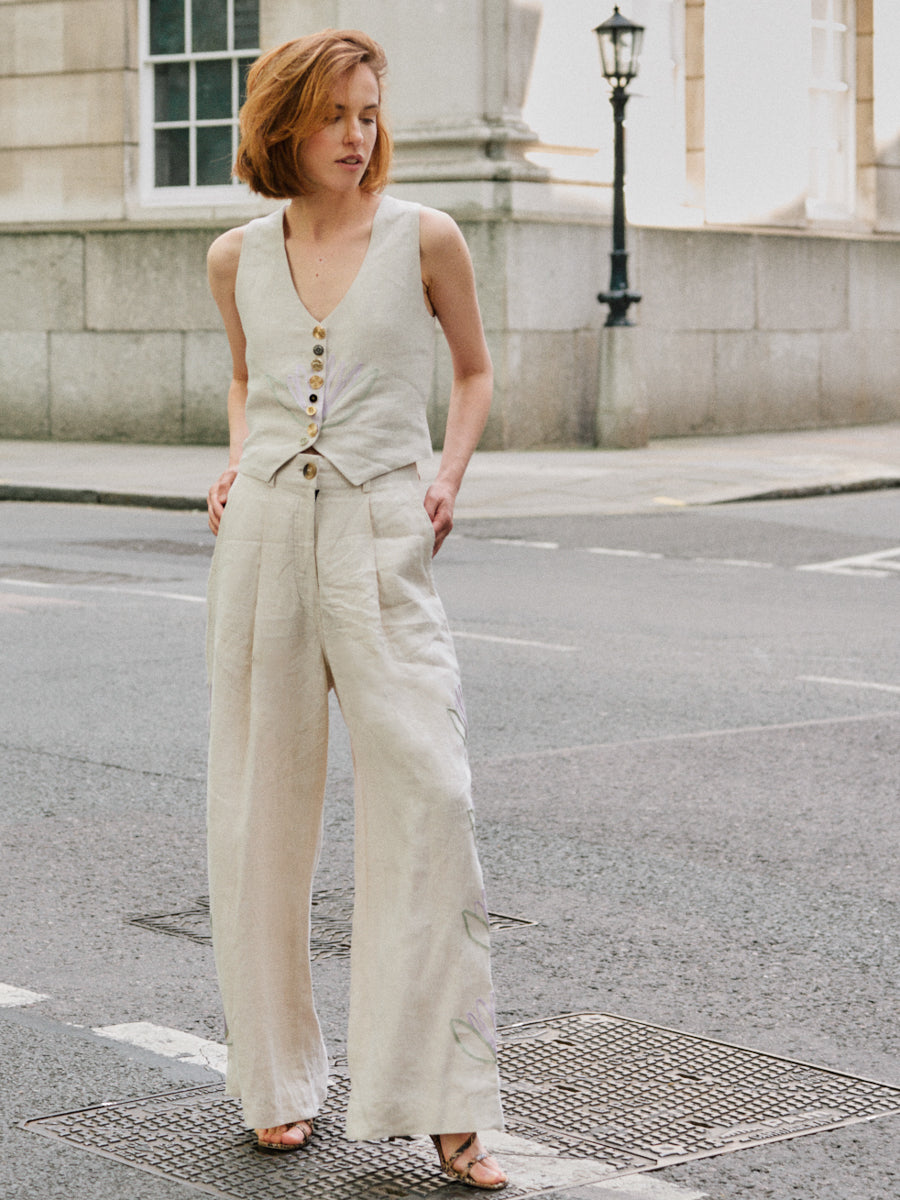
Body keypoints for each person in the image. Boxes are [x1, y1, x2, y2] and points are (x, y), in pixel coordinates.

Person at [204, 28, 507, 1191]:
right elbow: (246, 377)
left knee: (431, 794)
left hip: (384, 535)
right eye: (335, 114)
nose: (356, 134)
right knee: (257, 811)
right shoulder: (235, 255)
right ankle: (274, 1080)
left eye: (370, 112)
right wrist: (237, 459)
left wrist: (447, 476)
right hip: (267, 539)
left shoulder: (425, 238)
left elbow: (472, 372)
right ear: (284, 123)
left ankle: (444, 1099)